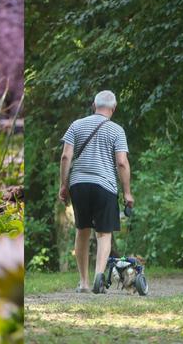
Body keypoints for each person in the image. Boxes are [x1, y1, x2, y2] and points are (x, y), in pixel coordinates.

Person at [58, 90, 133, 294]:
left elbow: (66, 157)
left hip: (79, 185)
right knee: (103, 233)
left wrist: (63, 185)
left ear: (94, 105)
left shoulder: (76, 125)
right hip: (105, 186)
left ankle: (83, 282)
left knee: (82, 230)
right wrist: (127, 193)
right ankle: (99, 277)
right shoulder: (117, 130)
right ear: (113, 108)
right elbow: (122, 163)